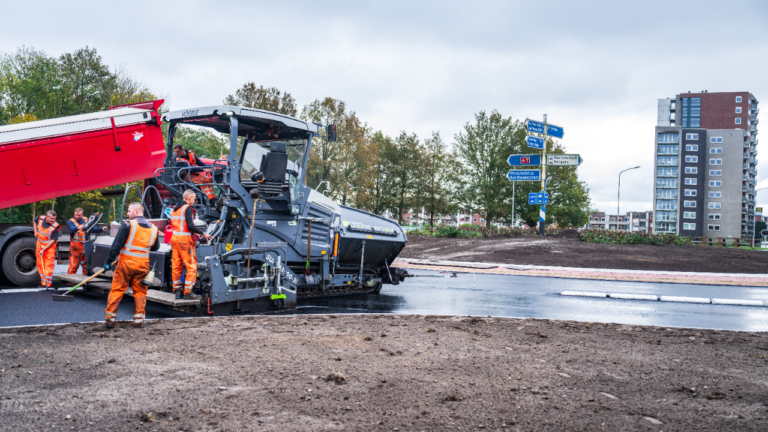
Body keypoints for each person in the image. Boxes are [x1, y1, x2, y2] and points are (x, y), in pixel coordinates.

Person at [102, 203, 160, 329]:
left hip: (125, 264)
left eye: (129, 211)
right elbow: (156, 247)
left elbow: (116, 246)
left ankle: (110, 320)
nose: (127, 213)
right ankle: (139, 321)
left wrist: (108, 261)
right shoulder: (154, 229)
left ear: (136, 211)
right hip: (142, 265)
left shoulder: (128, 225)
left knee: (117, 290)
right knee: (140, 292)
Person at [169, 190, 212, 299]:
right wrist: (203, 233)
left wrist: (194, 233)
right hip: (184, 241)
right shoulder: (187, 208)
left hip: (174, 239)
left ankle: (178, 291)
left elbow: (181, 226)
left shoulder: (175, 209)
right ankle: (188, 291)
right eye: (193, 198)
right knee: (192, 266)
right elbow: (189, 225)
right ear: (189, 198)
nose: (194, 200)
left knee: (176, 266)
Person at [66, 208, 108, 275]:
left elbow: (90, 229)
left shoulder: (85, 219)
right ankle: (70, 282)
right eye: (76, 215)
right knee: (74, 265)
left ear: (82, 214)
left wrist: (101, 229)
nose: (77, 216)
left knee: (86, 264)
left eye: (79, 215)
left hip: (86, 245)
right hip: (76, 246)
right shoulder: (70, 221)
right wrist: (77, 227)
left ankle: (84, 279)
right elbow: (71, 230)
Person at [35, 210, 60, 289]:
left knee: (48, 265)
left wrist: (44, 249)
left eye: (54, 218)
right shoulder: (40, 219)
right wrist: (35, 231)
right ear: (47, 217)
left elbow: (53, 240)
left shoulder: (55, 226)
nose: (53, 220)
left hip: (49, 248)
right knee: (40, 264)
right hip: (39, 245)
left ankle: (47, 284)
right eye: (52, 218)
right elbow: (34, 221)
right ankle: (43, 282)